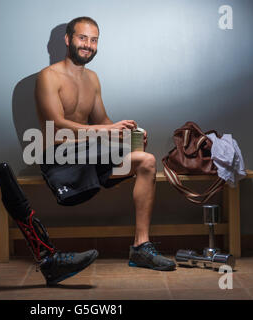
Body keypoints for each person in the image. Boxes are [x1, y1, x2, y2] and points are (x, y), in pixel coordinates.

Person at [35, 17, 176, 272]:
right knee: (111, 148)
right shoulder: (48, 77)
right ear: (68, 39)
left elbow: (102, 121)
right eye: (82, 38)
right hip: (60, 158)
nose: (88, 45)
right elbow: (55, 126)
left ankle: (141, 247)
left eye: (93, 39)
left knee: (146, 161)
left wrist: (127, 133)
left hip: (92, 154)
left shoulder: (92, 79)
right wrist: (107, 130)